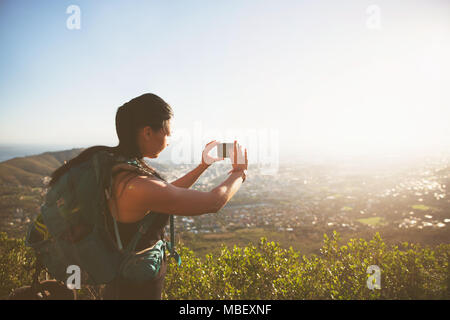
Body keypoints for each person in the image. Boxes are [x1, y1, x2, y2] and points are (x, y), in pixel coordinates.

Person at [48, 93, 248, 299]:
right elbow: (213, 202)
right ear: (147, 132)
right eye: (167, 132)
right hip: (136, 290)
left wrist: (203, 166)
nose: (169, 141)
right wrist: (239, 173)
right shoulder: (135, 184)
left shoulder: (118, 168)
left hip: (121, 282)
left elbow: (165, 193)